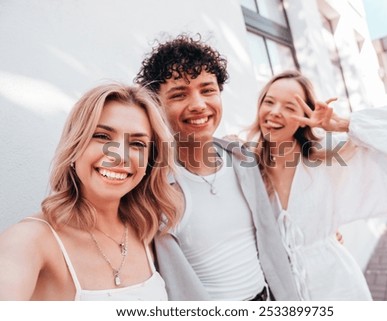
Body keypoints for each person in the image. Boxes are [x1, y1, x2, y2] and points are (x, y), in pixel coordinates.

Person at [135, 34, 299, 300]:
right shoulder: (153, 185)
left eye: (208, 90)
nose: (199, 105)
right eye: (179, 94)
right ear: (157, 106)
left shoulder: (242, 160)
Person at [247, 70, 387, 300]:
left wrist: (342, 123)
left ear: (306, 117)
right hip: (282, 294)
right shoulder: (249, 168)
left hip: (338, 288)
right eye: (269, 102)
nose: (274, 112)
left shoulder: (325, 157)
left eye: (290, 107)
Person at [0, 83, 182, 300]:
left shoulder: (147, 230)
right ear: (75, 145)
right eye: (103, 136)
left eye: (137, 144)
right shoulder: (29, 240)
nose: (119, 156)